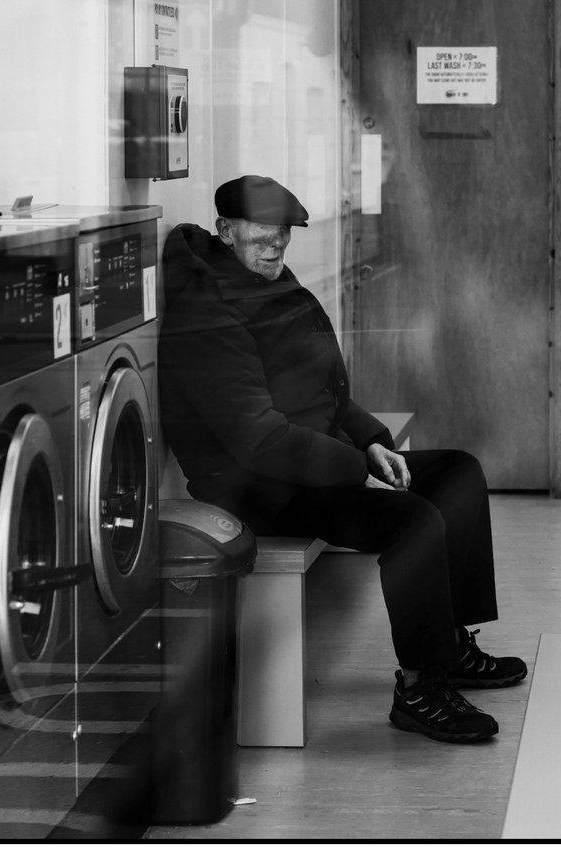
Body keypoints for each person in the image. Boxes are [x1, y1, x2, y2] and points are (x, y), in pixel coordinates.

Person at [158, 174, 526, 745]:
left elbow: (323, 389)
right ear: (225, 230)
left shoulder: (267, 281)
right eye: (262, 233)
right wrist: (356, 470)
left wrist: (372, 441)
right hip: (254, 486)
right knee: (413, 522)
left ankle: (451, 650)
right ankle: (420, 689)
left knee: (457, 471)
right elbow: (257, 440)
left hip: (310, 461)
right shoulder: (206, 313)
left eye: (283, 232)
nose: (276, 244)